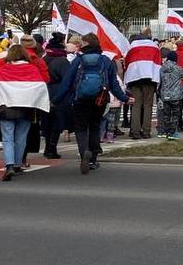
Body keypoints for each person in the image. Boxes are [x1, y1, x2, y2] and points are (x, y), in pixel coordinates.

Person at [55, 33, 130, 174]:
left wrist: (56, 100)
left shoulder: (78, 61)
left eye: (82, 43)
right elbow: (114, 84)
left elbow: (67, 82)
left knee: (81, 128)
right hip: (100, 99)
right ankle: (93, 159)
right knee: (95, 126)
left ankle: (84, 153)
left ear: (86, 45)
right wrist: (124, 98)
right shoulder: (105, 61)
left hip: (80, 99)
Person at [0, 44, 50, 181]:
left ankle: (9, 165)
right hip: (26, 108)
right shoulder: (32, 69)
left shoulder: (4, 69)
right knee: (21, 138)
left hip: (7, 108)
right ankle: (18, 164)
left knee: (7, 138)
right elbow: (41, 87)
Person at [123, 29, 161, 139]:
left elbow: (127, 60)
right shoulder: (154, 46)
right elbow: (158, 63)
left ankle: (135, 131)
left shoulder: (133, 45)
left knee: (136, 105)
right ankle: (146, 131)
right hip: (149, 78)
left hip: (134, 77)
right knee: (147, 105)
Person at [157, 49, 183, 139]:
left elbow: (160, 81)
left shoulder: (162, 68)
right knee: (176, 114)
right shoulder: (178, 69)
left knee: (166, 114)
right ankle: (172, 133)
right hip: (176, 95)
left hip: (165, 94)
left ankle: (165, 131)